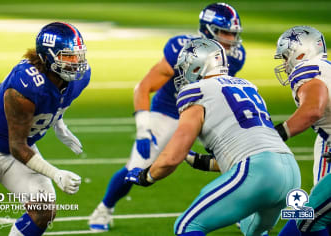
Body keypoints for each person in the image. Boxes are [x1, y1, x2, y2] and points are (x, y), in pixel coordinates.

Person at [88, 2, 246, 231]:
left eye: (234, 33)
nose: (231, 39)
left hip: (207, 110)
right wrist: (143, 129)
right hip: (169, 110)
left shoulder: (236, 57)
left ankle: (243, 211)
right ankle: (103, 209)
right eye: (226, 32)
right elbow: (143, 88)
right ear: (207, 30)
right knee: (137, 167)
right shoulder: (182, 49)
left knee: (239, 159)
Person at [125, 38, 301, 236]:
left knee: (187, 227)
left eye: (186, 67)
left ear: (198, 65)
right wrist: (202, 162)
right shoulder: (247, 86)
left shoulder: (196, 91)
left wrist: (146, 176)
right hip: (290, 171)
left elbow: (172, 157)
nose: (184, 73)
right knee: (253, 230)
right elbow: (247, 145)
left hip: (256, 170)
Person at [0, 22, 90, 236]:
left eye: (78, 55)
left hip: (21, 148)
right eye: (68, 56)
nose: (76, 63)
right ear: (47, 57)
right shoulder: (25, 86)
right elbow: (17, 147)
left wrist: (60, 123)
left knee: (44, 210)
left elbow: (57, 99)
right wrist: (56, 173)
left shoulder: (79, 78)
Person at [271, 26, 331, 236]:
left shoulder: (308, 72)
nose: (285, 63)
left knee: (306, 219)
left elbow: (313, 110)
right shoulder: (325, 67)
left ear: (301, 52)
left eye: (286, 56)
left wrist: (275, 135)